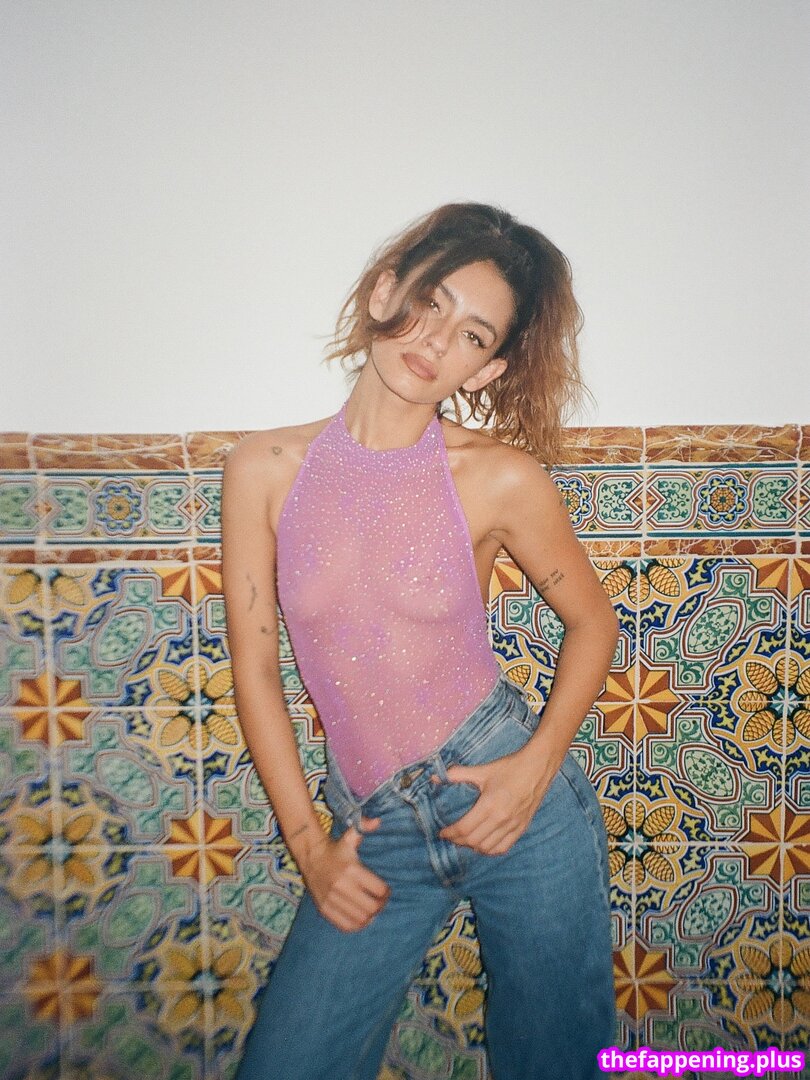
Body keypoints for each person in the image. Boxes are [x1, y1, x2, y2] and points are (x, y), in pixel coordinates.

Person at [221, 202, 620, 1080]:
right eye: (431, 302)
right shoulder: (263, 469)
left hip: (514, 801)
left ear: (490, 366)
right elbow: (255, 668)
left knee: (557, 1062)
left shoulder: (499, 477)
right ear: (384, 291)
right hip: (375, 828)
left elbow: (595, 624)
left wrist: (535, 768)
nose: (437, 340)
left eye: (473, 334)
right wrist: (311, 849)